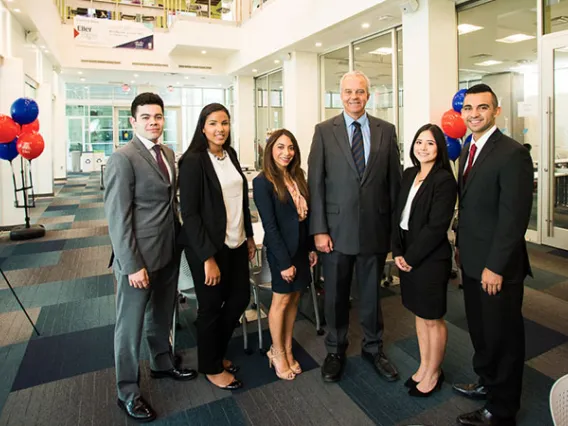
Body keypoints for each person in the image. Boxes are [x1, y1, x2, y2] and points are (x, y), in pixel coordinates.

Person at [104, 92, 197, 423]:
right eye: (146, 117)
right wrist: (131, 265)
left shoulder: (168, 152)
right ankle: (127, 392)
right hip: (137, 260)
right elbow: (118, 218)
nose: (153, 122)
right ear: (133, 121)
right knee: (128, 329)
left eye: (158, 116)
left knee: (161, 315)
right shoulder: (122, 158)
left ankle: (161, 363)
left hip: (168, 251)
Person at [308, 70, 402, 383]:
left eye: (360, 91)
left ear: (368, 94)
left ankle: (373, 348)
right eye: (348, 91)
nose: (354, 97)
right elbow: (316, 184)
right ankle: (335, 350)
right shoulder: (324, 131)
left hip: (374, 230)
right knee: (334, 295)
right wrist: (319, 229)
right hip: (334, 233)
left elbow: (393, 185)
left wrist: (393, 232)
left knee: (372, 296)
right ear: (340, 94)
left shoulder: (386, 131)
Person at [453, 84, 533, 426]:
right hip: (472, 263)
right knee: (481, 333)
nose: (474, 114)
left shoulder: (512, 153)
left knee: (503, 339)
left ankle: (502, 411)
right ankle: (487, 383)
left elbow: (513, 219)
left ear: (495, 111)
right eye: (468, 108)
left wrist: (495, 267)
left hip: (497, 268)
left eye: (482, 108)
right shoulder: (468, 149)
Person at [178, 103, 256, 391]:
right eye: (213, 123)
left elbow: (242, 199)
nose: (220, 129)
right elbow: (190, 214)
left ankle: (213, 353)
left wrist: (248, 235)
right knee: (210, 307)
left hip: (235, 242)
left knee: (239, 298)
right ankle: (210, 366)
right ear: (202, 127)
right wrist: (207, 257)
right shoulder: (193, 161)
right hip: (208, 247)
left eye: (224, 123)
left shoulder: (230, 155)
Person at [392, 124, 457, 398]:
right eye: (419, 142)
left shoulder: (444, 180)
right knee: (419, 315)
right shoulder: (409, 174)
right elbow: (397, 215)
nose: (423, 147)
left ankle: (434, 372)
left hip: (430, 258)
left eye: (430, 143)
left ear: (439, 148)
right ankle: (424, 365)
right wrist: (397, 251)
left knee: (433, 318)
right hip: (406, 254)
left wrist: (410, 257)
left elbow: (436, 226)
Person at [253, 129, 318, 381]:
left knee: (294, 300)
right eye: (280, 147)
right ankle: (277, 352)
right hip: (282, 252)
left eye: (290, 147)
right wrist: (283, 262)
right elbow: (270, 226)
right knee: (280, 302)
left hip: (301, 248)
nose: (286, 153)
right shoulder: (262, 182)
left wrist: (311, 247)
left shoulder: (297, 176)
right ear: (270, 150)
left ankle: (288, 348)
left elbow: (306, 216)